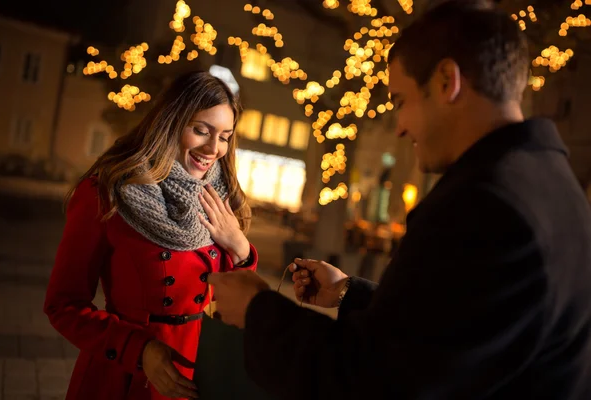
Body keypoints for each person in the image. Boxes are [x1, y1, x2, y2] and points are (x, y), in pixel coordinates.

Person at [208, 1, 591, 399]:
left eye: (401, 101)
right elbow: (460, 331)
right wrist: (350, 294)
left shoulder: (485, 204)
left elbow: (373, 379)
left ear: (447, 81)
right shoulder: (553, 184)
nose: (402, 127)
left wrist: (258, 310)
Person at [44, 71, 258, 400]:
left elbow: (234, 305)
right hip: (125, 376)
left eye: (225, 136)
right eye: (201, 130)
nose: (214, 148)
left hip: (197, 373)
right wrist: (140, 350)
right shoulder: (109, 192)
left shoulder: (221, 198)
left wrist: (241, 249)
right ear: (171, 123)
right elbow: (63, 305)